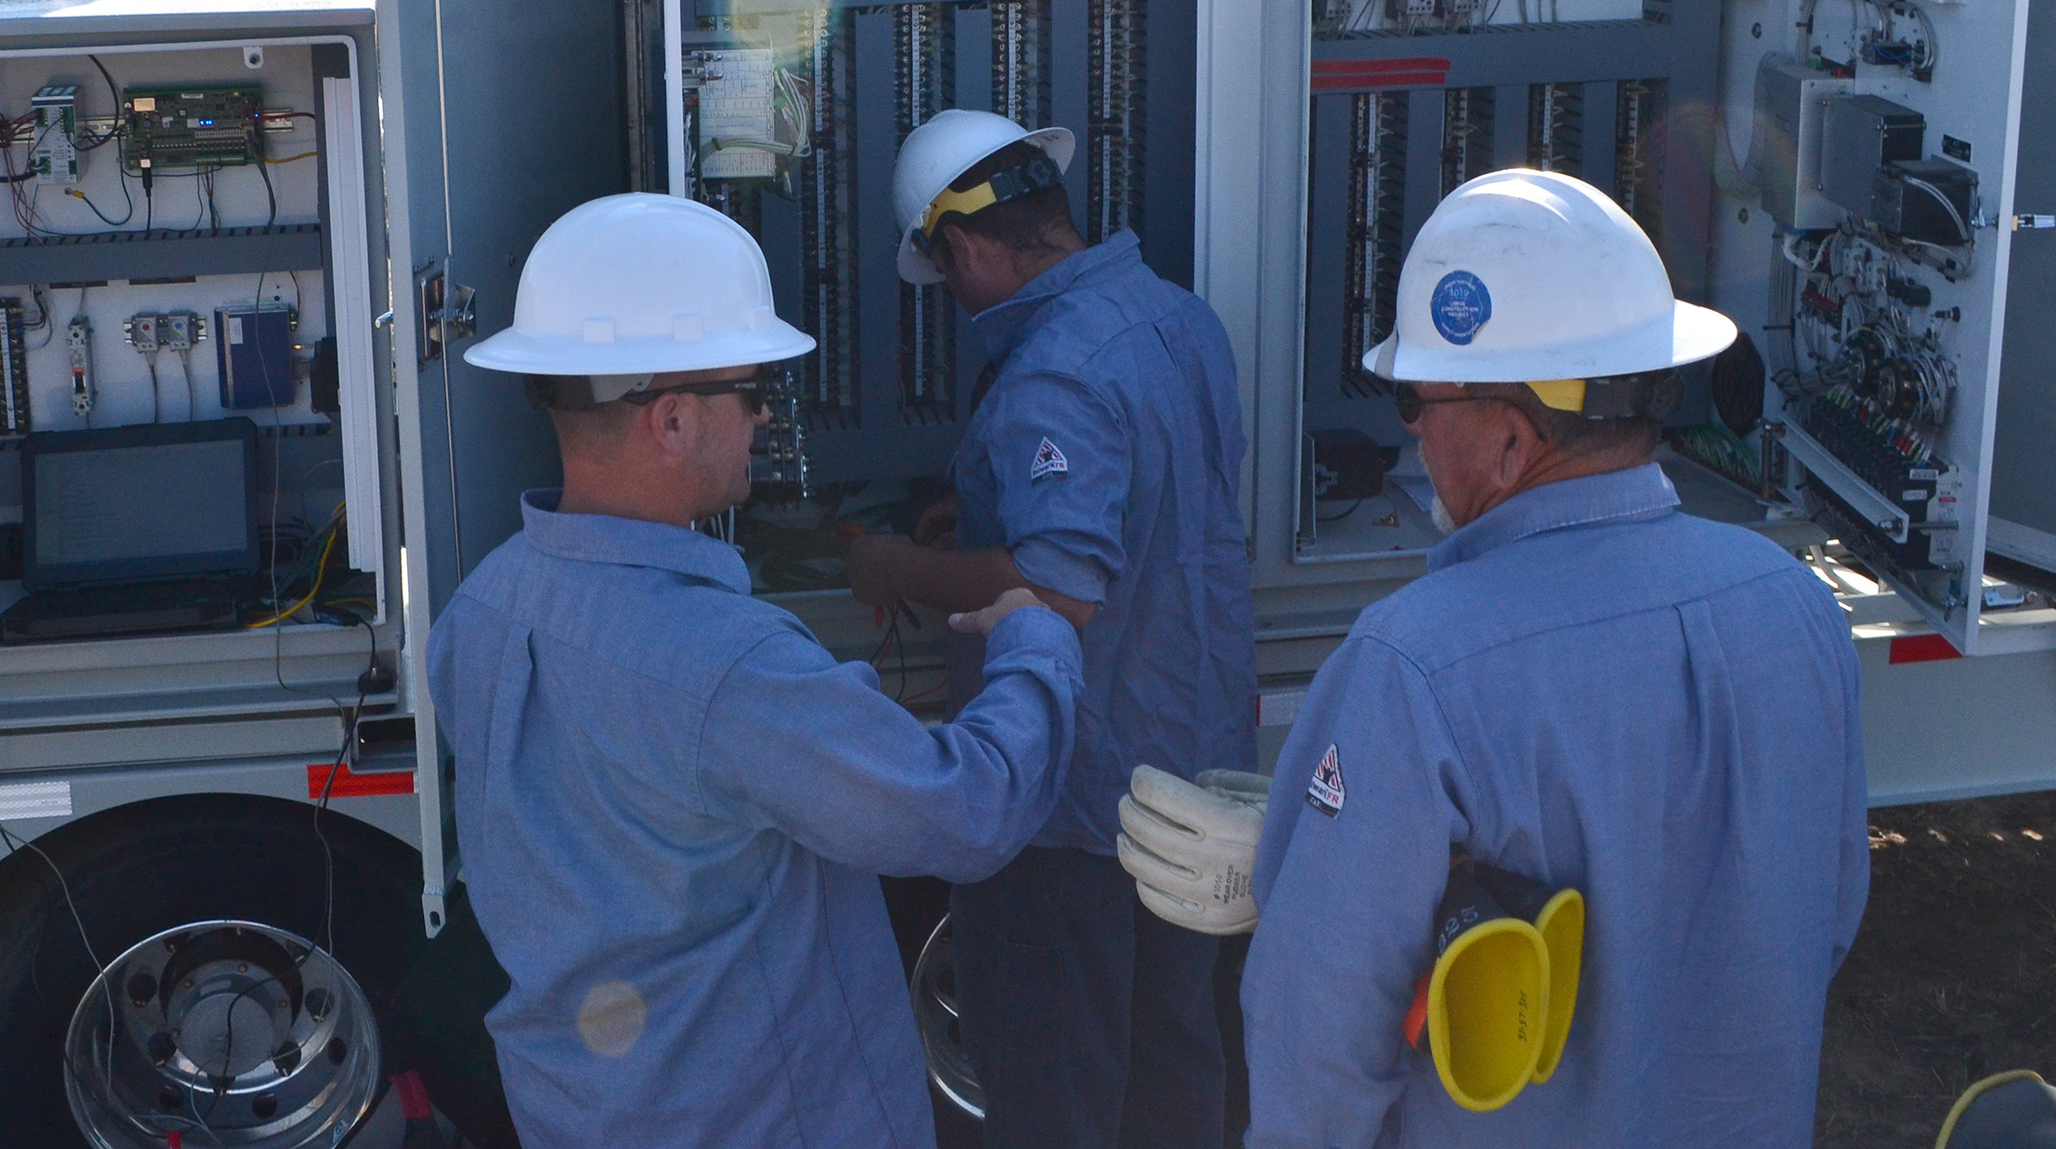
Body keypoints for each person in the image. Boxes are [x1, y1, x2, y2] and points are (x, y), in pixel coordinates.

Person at [424, 193, 1086, 1149]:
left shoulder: (481, 608)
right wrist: (1035, 640)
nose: (768, 413)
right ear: (675, 422)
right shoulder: (728, 667)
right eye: (755, 389)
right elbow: (967, 811)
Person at [1240, 169, 1870, 1149]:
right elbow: (1824, 918)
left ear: (1507, 436)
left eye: (1416, 396)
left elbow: (1321, 1032)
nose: (1410, 428)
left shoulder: (1415, 667)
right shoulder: (1796, 605)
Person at [845, 109, 1256, 1149]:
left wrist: (901, 566)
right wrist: (981, 511)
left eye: (944, 278)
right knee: (1173, 1059)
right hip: (1189, 779)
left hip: (1070, 800)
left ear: (970, 245)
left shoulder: (1053, 374)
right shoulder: (1177, 317)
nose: (954, 301)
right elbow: (1154, 511)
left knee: (1052, 1083)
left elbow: (1059, 588)